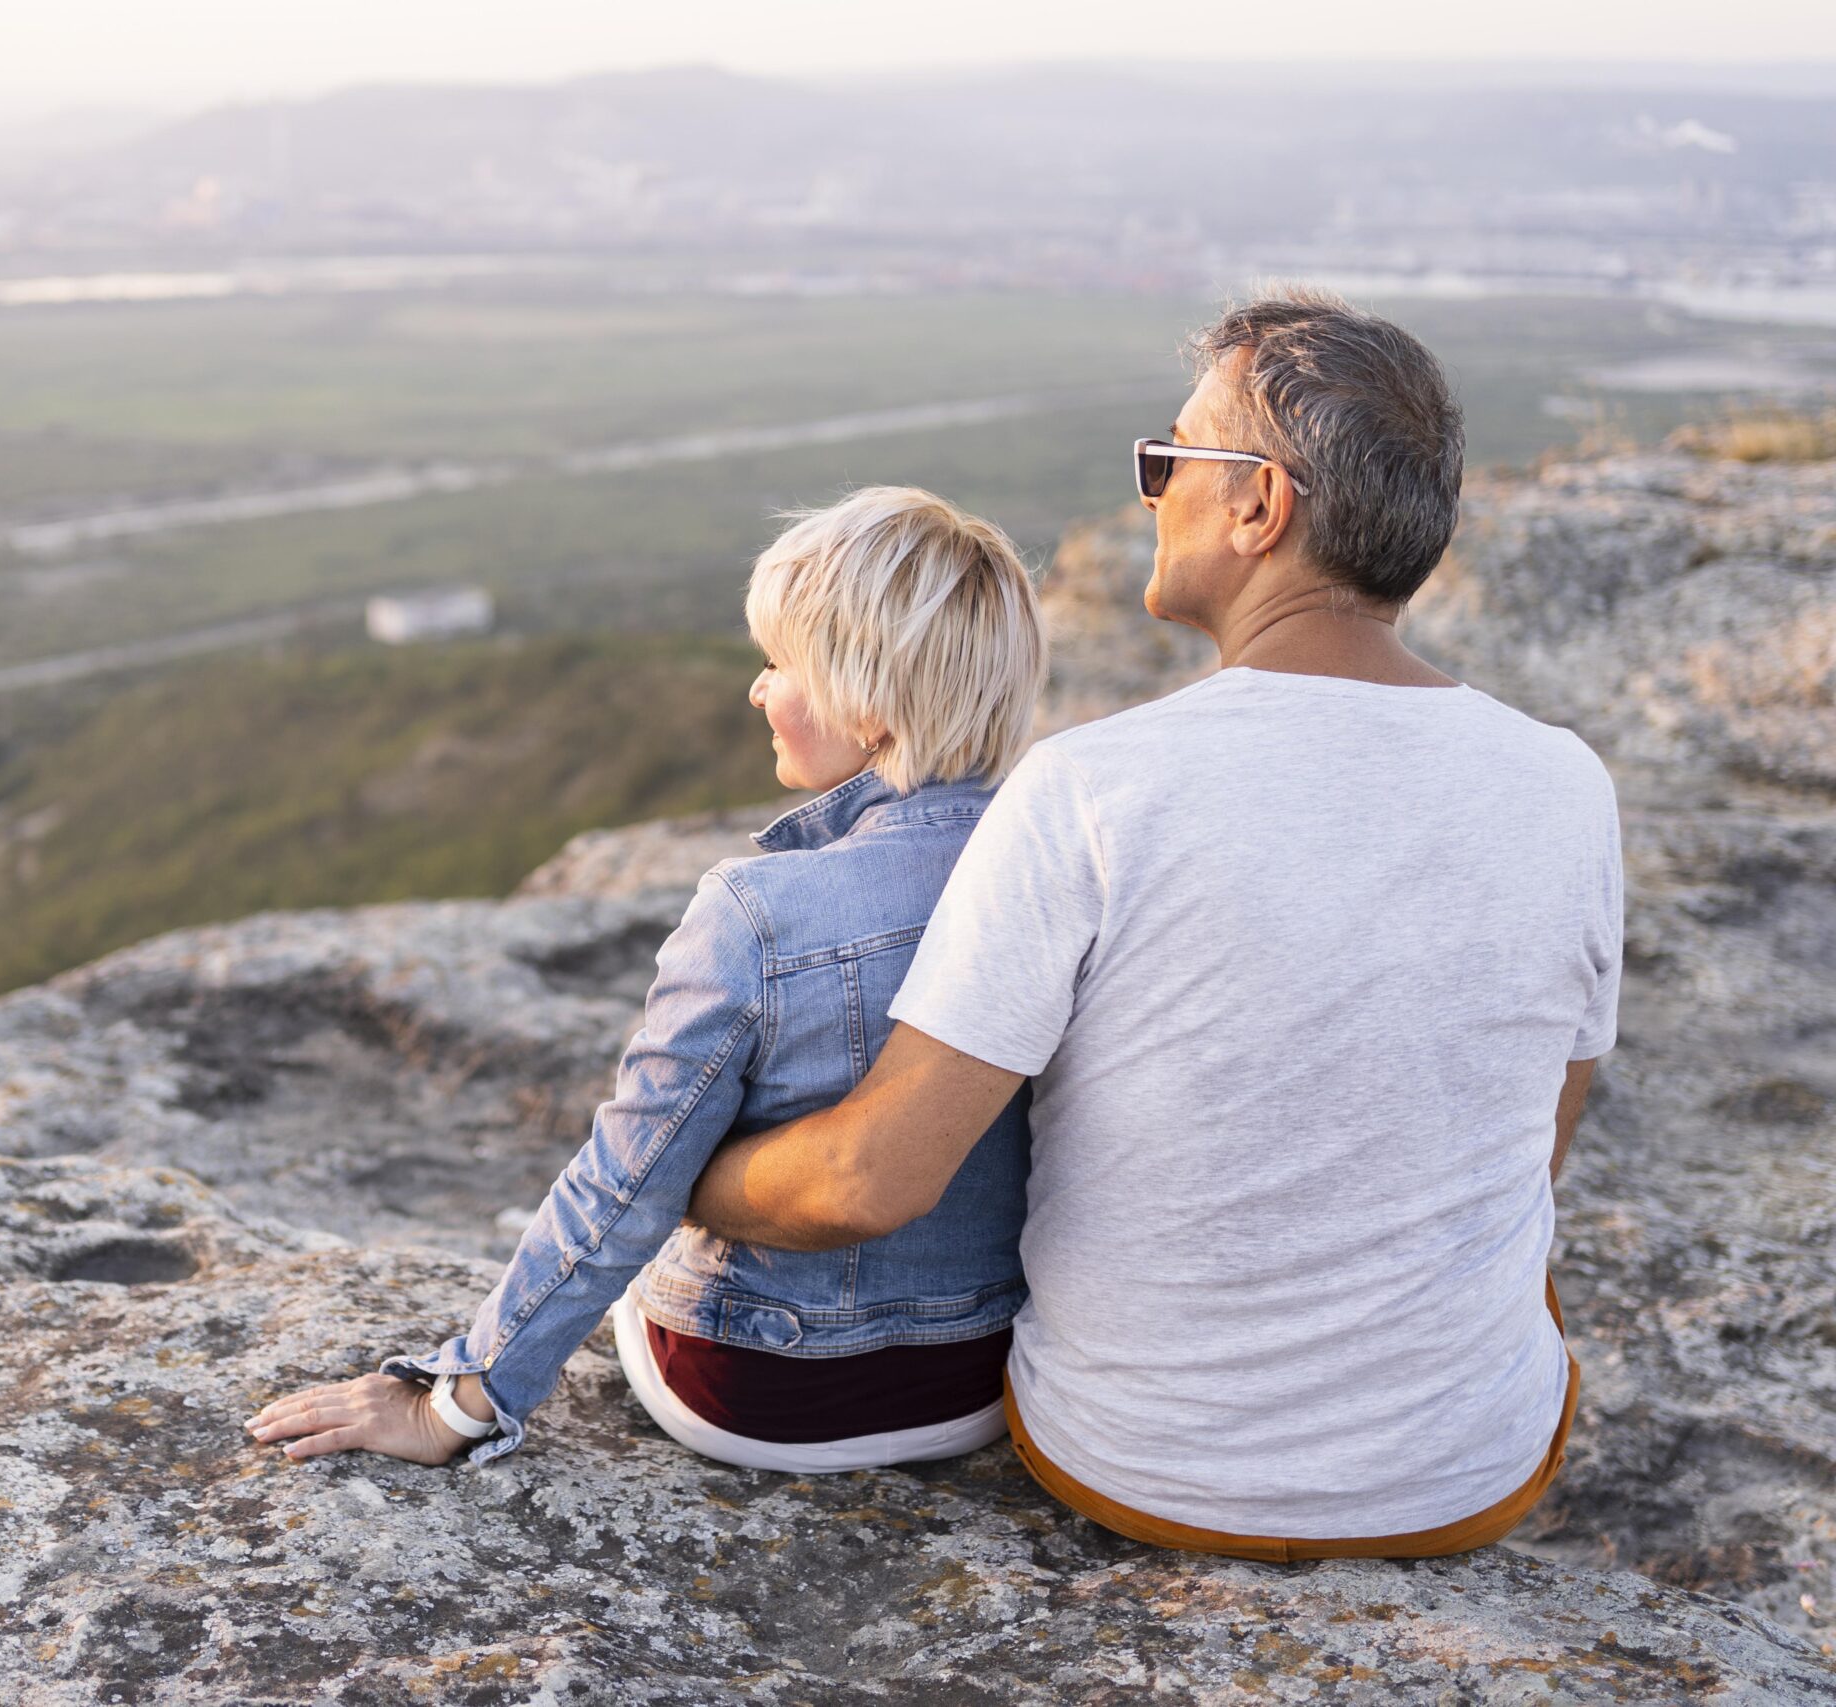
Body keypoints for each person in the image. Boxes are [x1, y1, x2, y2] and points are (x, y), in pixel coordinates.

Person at [685, 290, 1622, 1560]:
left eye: (1169, 458)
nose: (1152, 490)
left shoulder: (1090, 788)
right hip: (1463, 1477)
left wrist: (679, 1180)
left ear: (1257, 506)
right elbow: (1540, 1133)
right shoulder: (1565, 782)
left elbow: (867, 1182)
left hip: (1134, 1466)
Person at [246, 486, 1047, 1469]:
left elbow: (624, 1181)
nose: (757, 690)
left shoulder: (758, 911)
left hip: (770, 1389)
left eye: (777, 664)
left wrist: (456, 1401)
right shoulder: (1066, 869)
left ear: (864, 696)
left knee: (647, 1210)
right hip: (986, 1377)